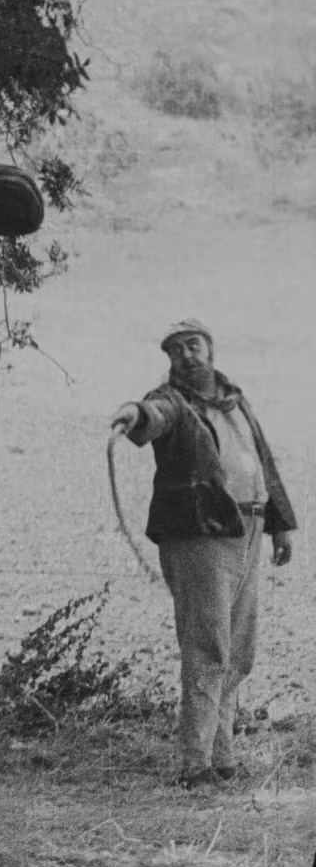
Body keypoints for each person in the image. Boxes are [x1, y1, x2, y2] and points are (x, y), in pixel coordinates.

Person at [110, 318, 296, 789]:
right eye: (175, 351)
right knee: (207, 645)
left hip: (248, 527)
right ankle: (195, 766)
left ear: (210, 350)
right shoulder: (173, 399)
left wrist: (279, 526)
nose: (185, 356)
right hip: (200, 533)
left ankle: (224, 757)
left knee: (240, 651)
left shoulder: (235, 400)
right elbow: (154, 413)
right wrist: (133, 413)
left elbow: (263, 460)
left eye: (192, 346)